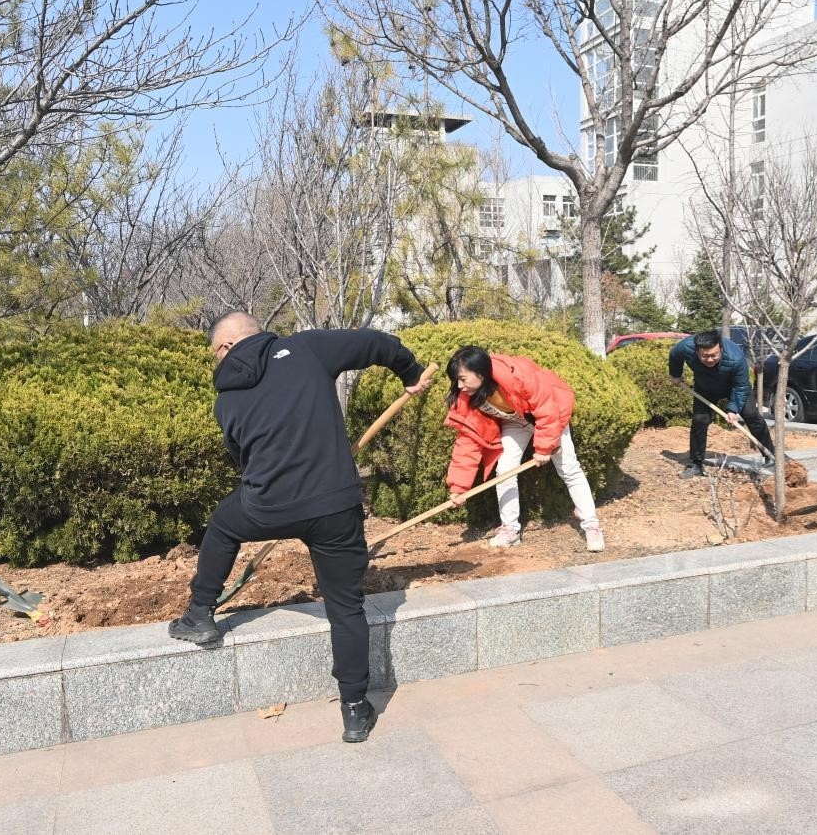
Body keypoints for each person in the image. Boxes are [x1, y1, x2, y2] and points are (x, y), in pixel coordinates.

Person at [168, 312, 431, 744]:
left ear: (224, 348)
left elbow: (244, 460)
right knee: (345, 607)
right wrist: (411, 373)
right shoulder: (306, 348)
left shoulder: (225, 401)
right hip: (334, 505)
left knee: (223, 525)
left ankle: (199, 614)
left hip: (267, 505)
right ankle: (354, 709)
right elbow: (376, 343)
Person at [443, 346, 604, 552]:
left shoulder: (518, 375)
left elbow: (547, 408)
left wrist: (544, 448)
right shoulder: (467, 397)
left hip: (551, 414)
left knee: (568, 468)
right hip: (515, 421)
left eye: (463, 379)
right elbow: (467, 443)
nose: (459, 386)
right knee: (505, 471)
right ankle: (510, 530)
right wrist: (459, 487)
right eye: (456, 380)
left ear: (480, 373)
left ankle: (591, 525)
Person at [668, 329, 775, 478]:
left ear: (721, 348)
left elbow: (741, 387)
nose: (710, 359)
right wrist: (675, 374)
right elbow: (674, 354)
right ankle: (696, 464)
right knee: (699, 420)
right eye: (705, 356)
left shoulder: (735, 357)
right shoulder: (686, 347)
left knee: (751, 415)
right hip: (705, 387)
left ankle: (771, 456)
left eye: (714, 355)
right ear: (697, 351)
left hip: (734, 387)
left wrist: (732, 409)